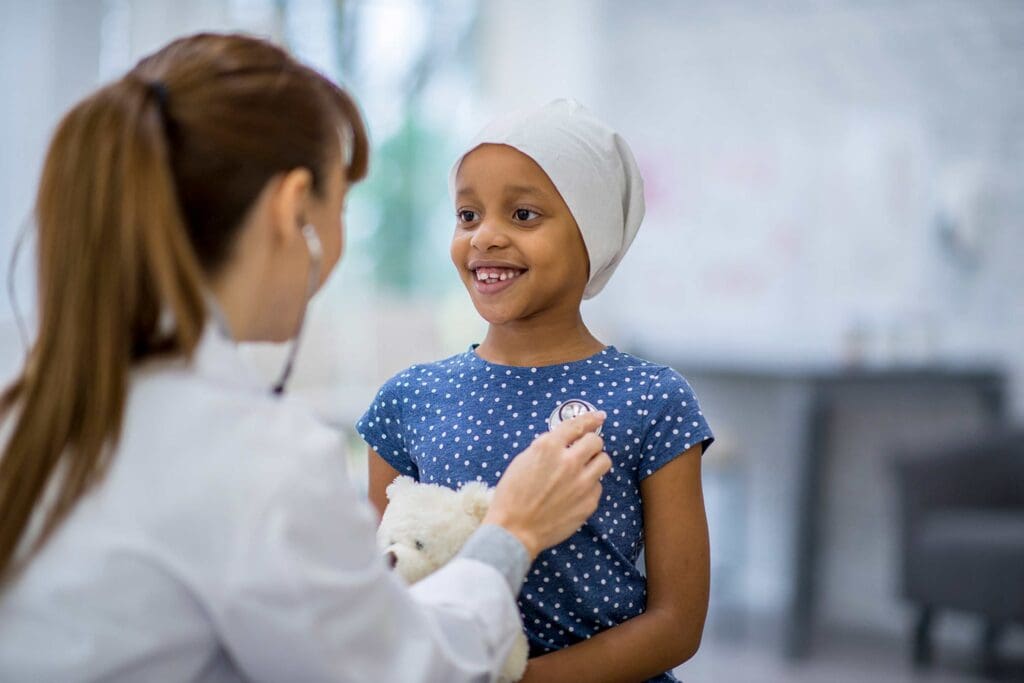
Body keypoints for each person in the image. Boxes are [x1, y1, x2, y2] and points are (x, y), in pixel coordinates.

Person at [0, 35, 611, 682]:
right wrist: (512, 531)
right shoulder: (255, 461)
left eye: (522, 213)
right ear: (295, 210)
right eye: (340, 206)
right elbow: (408, 666)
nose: (486, 236)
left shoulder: (32, 406)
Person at [360, 99, 714, 682]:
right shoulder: (407, 400)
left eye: (523, 215)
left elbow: (677, 623)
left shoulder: (654, 398)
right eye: (468, 215)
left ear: (592, 236)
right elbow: (382, 590)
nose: (485, 238)